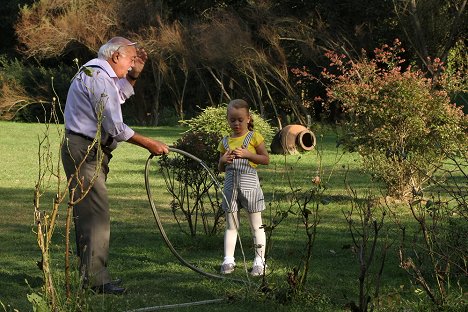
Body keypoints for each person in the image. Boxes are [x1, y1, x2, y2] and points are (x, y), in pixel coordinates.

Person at [61, 36, 169, 294]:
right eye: (131, 60)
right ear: (115, 56)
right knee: (95, 215)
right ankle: (96, 282)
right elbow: (115, 126)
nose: (132, 64)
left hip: (86, 148)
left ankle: (91, 276)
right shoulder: (98, 76)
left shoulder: (98, 73)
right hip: (84, 150)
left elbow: (117, 97)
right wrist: (149, 143)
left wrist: (134, 77)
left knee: (90, 214)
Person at [217, 99, 269, 276]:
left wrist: (248, 154)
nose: (236, 123)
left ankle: (259, 261)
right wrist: (223, 161)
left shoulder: (254, 137)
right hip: (231, 188)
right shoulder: (225, 142)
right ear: (228, 119)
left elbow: (265, 159)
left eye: (240, 119)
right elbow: (220, 168)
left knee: (257, 225)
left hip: (250, 187)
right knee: (231, 225)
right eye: (232, 120)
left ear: (248, 118)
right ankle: (228, 260)